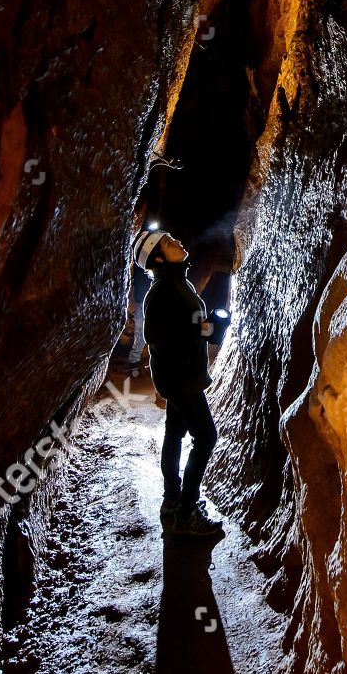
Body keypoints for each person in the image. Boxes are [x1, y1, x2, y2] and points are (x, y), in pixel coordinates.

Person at [133, 228, 224, 537]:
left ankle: (172, 500)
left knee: (174, 434)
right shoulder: (161, 290)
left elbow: (183, 326)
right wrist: (199, 332)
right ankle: (187, 511)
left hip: (182, 375)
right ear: (158, 257)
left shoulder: (177, 283)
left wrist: (206, 327)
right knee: (206, 437)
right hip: (181, 378)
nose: (180, 242)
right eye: (171, 243)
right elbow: (157, 336)